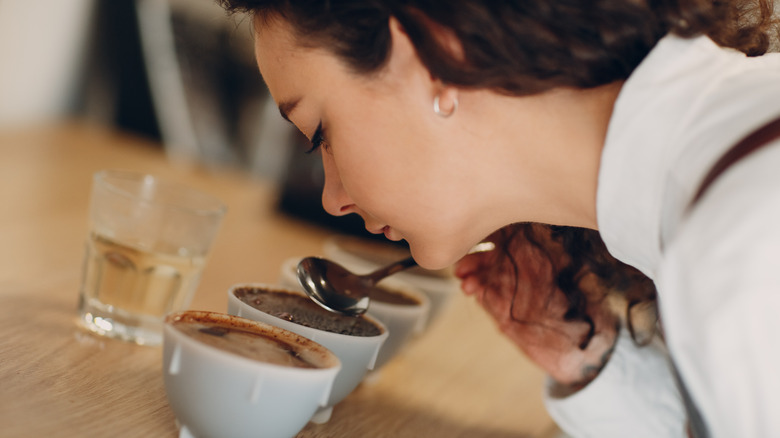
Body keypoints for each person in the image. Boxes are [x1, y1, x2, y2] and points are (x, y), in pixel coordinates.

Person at [216, 1, 780, 436]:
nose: (332, 199)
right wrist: (584, 354)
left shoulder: (743, 245)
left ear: (428, 54)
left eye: (321, 135)